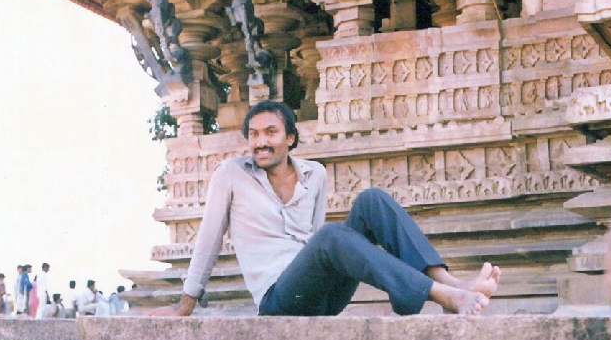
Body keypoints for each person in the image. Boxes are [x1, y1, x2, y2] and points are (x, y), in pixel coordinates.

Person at [150, 100, 500, 318]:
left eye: (270, 132)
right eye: (254, 134)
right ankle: (441, 296)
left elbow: (313, 240)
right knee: (331, 235)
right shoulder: (231, 174)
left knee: (371, 200)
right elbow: (208, 241)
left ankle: (450, 282)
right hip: (279, 300)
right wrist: (185, 304)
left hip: (323, 295)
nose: (260, 142)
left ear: (289, 138)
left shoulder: (314, 173)